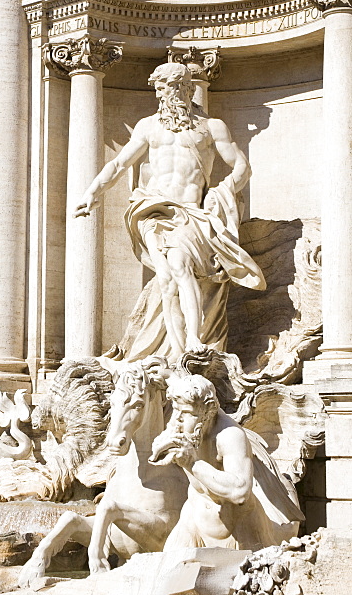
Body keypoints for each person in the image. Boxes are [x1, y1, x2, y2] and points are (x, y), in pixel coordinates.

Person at [75, 61, 265, 361]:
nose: (161, 95)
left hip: (190, 212)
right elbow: (119, 164)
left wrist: (224, 189)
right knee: (167, 276)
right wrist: (92, 192)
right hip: (153, 209)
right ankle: (181, 347)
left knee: (177, 267)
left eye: (166, 88)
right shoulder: (147, 126)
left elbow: (242, 166)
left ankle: (190, 339)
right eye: (159, 89)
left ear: (185, 88)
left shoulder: (211, 127)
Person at [149, 373, 303, 550]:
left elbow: (240, 491)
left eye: (186, 413)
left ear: (207, 413)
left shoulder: (229, 436)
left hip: (239, 528)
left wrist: (192, 463)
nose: (177, 419)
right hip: (194, 519)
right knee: (167, 572)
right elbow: (175, 380)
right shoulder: (188, 426)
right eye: (176, 409)